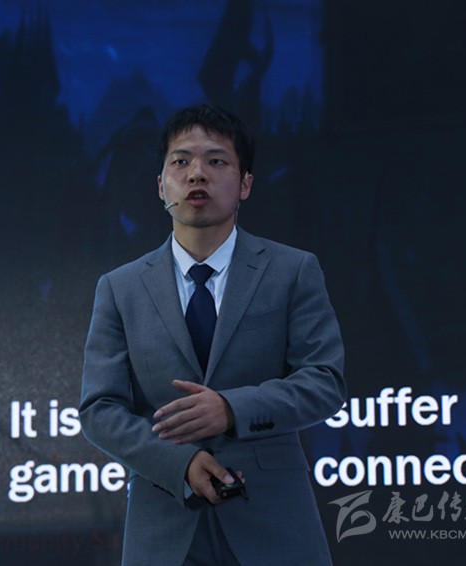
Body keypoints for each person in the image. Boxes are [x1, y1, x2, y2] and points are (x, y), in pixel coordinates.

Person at [79, 104, 346, 565]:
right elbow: (99, 410)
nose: (196, 173)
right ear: (160, 185)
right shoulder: (121, 288)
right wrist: (179, 463)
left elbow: (324, 382)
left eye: (216, 160)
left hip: (275, 522)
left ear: (245, 184)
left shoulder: (292, 271)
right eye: (181, 161)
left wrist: (230, 409)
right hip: (165, 523)